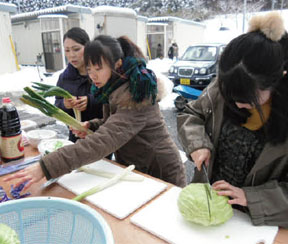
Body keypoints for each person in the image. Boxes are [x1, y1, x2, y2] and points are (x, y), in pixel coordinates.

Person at [5, 35, 187, 189]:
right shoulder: (115, 87)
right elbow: (114, 122)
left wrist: (46, 166)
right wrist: (92, 125)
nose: (92, 75)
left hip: (160, 171)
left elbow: (103, 141)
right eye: (89, 69)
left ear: (117, 64)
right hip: (137, 166)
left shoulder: (136, 97)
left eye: (98, 68)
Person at [177, 12, 288, 228]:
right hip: (210, 207)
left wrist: (251, 198)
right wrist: (197, 144)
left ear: (278, 78)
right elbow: (191, 114)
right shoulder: (227, 85)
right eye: (231, 95)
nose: (236, 104)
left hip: (257, 224)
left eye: (247, 98)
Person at [55, 27, 103, 142]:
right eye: (67, 50)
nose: (71, 55)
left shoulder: (100, 73)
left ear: (88, 47)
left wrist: (90, 101)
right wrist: (65, 104)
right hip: (75, 137)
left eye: (76, 49)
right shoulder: (64, 77)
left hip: (100, 137)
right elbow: (56, 104)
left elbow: (112, 103)